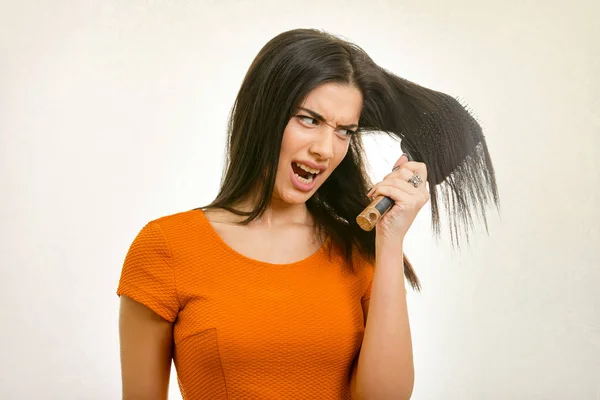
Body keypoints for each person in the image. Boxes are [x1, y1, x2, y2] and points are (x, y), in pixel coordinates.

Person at [117, 29, 499, 400]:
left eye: (344, 131)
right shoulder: (166, 247)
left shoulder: (358, 249)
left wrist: (390, 238)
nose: (326, 150)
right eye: (309, 119)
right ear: (263, 113)